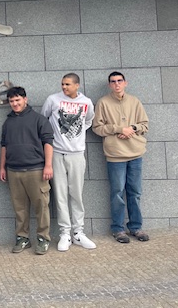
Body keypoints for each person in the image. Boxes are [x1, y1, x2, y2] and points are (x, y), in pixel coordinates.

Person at [41, 73, 97, 252]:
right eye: (63, 84)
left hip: (77, 154)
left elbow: (88, 120)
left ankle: (78, 232)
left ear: (77, 85)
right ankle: (65, 233)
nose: (64, 87)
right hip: (57, 153)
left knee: (76, 194)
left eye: (68, 84)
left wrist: (76, 135)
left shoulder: (86, 102)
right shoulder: (53, 100)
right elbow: (43, 120)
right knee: (60, 195)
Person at [92, 71, 150, 243]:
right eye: (113, 81)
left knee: (135, 192)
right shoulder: (103, 103)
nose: (116, 84)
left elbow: (144, 125)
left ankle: (136, 227)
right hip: (115, 155)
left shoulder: (134, 101)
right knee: (117, 192)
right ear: (109, 85)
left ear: (125, 83)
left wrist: (132, 128)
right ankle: (118, 229)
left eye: (119, 81)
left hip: (135, 153)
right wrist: (118, 129)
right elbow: (97, 128)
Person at [0, 87, 54, 255]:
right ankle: (22, 238)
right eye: (11, 101)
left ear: (25, 99)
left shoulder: (39, 119)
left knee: (41, 206)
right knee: (20, 208)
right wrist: (2, 167)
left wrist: (48, 165)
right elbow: (4, 146)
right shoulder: (8, 122)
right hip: (13, 171)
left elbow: (48, 142)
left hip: (36, 170)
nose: (15, 103)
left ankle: (43, 238)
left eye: (18, 100)